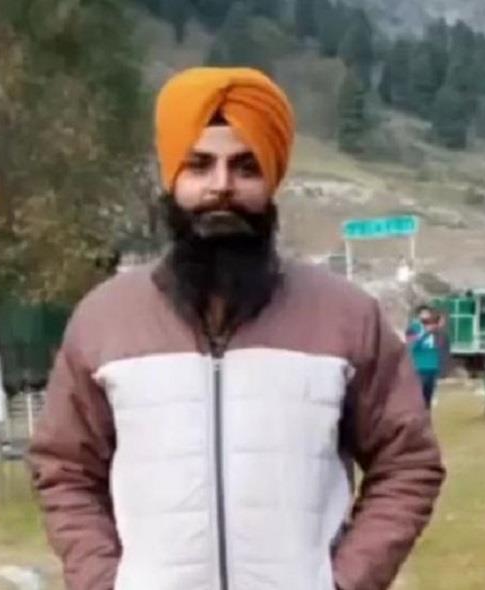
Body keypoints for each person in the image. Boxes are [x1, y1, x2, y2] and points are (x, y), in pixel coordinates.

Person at [28, 67, 445, 590]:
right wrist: (103, 581)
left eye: (246, 167)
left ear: (272, 181)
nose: (221, 186)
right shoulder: (104, 319)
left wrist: (343, 582)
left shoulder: (346, 316)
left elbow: (407, 463)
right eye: (199, 165)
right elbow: (64, 470)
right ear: (172, 179)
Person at [406, 305, 443, 409]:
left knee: (428, 398)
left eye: (428, 314)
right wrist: (425, 333)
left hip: (432, 367)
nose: (426, 316)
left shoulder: (435, 330)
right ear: (418, 316)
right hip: (419, 367)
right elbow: (411, 346)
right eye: (423, 314)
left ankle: (427, 415)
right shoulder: (412, 329)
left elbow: (439, 346)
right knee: (418, 397)